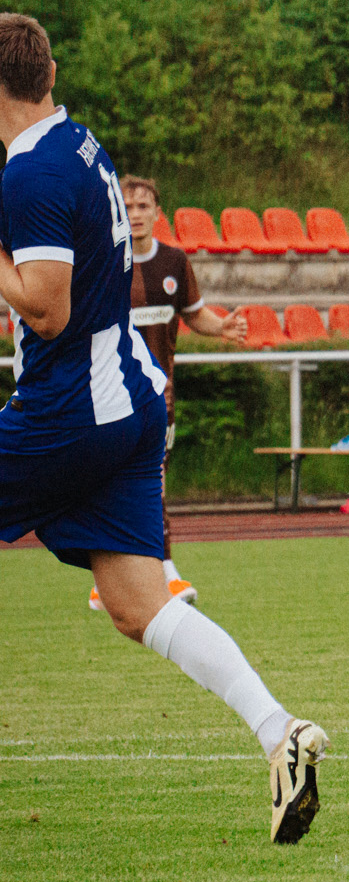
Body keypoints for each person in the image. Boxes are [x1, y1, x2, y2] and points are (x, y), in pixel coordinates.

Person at [0, 12, 327, 842]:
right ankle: (279, 731)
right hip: (131, 401)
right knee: (136, 601)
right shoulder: (74, 141)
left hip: (72, 409)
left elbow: (44, 307)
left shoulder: (32, 173)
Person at [84, 175, 249, 613]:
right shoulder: (102, 259)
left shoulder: (174, 261)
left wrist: (223, 327)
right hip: (110, 396)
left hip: (161, 399)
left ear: (158, 213)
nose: (135, 214)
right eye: (128, 206)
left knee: (151, 482)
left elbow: (195, 315)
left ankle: (135, 578)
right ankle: (152, 574)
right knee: (115, 485)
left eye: (143, 206)